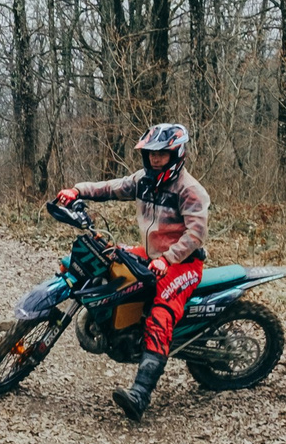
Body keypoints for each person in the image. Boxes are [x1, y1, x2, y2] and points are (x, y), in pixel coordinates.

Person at [57, 122, 209, 422]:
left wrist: (168, 259)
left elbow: (196, 235)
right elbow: (110, 187)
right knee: (108, 259)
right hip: (151, 254)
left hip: (183, 262)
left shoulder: (190, 190)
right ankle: (113, 328)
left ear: (176, 153)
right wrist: (77, 190)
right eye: (150, 153)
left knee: (161, 314)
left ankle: (140, 395)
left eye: (161, 154)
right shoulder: (143, 180)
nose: (154, 159)